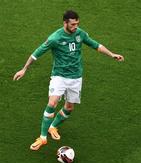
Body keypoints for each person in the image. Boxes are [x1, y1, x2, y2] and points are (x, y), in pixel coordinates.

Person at [13, 10, 124, 151]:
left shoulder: (80, 34)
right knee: (52, 102)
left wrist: (112, 54)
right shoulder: (55, 38)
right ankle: (42, 138)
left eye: (77, 23)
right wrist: (24, 69)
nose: (75, 26)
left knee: (69, 108)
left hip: (76, 77)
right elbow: (36, 54)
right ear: (65, 23)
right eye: (72, 24)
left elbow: (96, 45)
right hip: (59, 76)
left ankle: (53, 126)